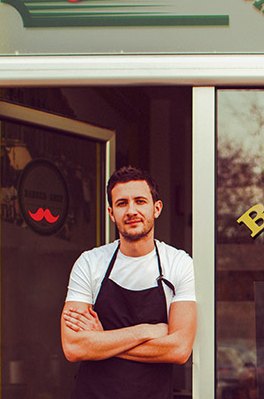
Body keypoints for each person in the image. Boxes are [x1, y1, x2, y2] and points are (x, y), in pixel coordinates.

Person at [60, 166, 196, 399]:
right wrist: (149, 330)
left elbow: (179, 349)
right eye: (122, 203)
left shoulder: (178, 263)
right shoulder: (90, 263)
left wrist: (102, 341)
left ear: (157, 208)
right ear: (112, 213)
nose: (131, 210)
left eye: (140, 201)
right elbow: (74, 347)